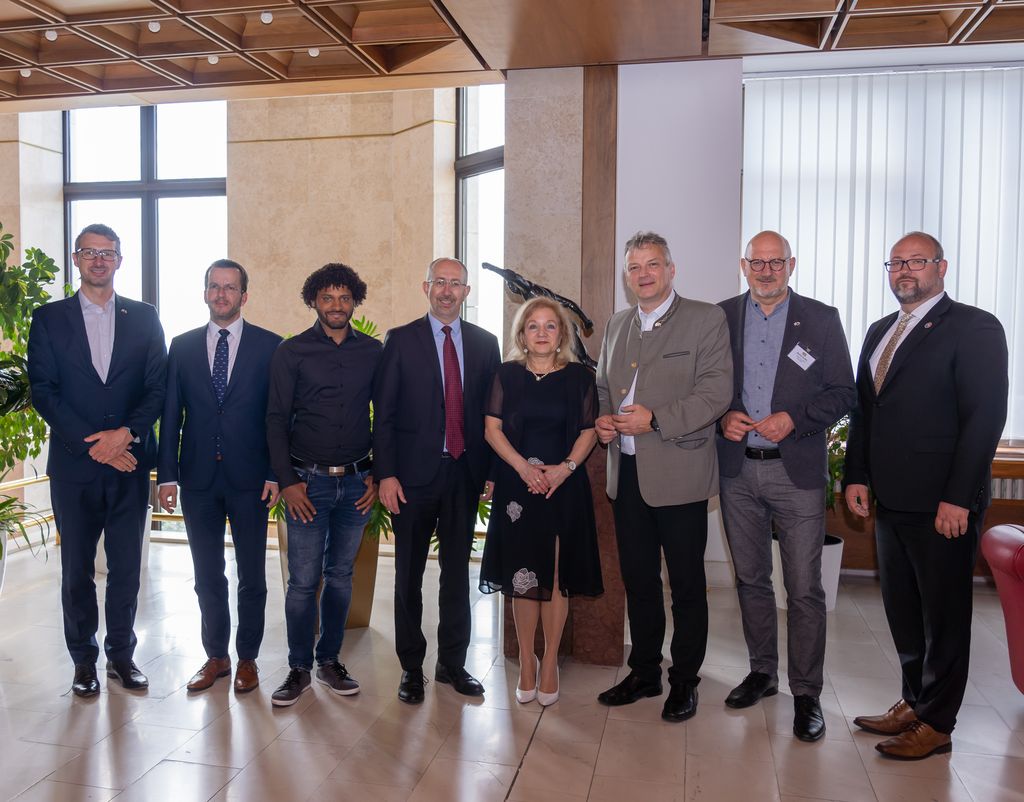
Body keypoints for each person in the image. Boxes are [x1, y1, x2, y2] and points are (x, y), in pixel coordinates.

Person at [843, 231, 1008, 759]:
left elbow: (985, 418)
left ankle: (937, 723)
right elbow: (866, 412)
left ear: (942, 266)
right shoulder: (879, 331)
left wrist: (959, 496)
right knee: (904, 610)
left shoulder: (975, 327)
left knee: (944, 615)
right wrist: (857, 475)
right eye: (896, 263)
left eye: (917, 261)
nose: (905, 271)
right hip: (891, 499)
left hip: (943, 504)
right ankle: (914, 700)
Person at [716, 230, 856, 741]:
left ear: (791, 265)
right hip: (736, 470)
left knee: (803, 587)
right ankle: (761, 673)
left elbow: (844, 392)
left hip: (794, 471)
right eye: (758, 262)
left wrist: (793, 419)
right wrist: (722, 416)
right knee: (751, 579)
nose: (767, 270)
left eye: (777, 262)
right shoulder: (723, 316)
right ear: (743, 265)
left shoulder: (820, 319)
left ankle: (807, 694)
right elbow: (705, 386)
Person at [594, 231, 732, 721]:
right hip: (626, 474)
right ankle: (645, 671)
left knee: (687, 585)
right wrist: (604, 420)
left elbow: (717, 392)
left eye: (653, 265)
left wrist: (655, 418)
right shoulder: (616, 324)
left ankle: (685, 680)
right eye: (635, 267)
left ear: (671, 270)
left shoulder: (705, 318)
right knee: (640, 580)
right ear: (627, 276)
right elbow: (604, 387)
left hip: (680, 475)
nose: (644, 274)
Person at [27, 223, 166, 697]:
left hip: (128, 463)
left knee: (126, 569)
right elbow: (44, 392)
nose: (99, 260)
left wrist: (124, 435)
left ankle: (122, 657)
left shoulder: (145, 317)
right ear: (76, 259)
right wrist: (95, 446)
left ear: (120, 260)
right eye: (90, 252)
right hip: (74, 468)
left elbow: (157, 387)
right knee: (77, 571)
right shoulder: (49, 319)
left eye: (107, 253)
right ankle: (83, 661)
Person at [373, 257, 501, 704]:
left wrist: (490, 473)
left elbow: (492, 416)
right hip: (411, 479)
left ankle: (452, 663)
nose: (447, 291)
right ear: (426, 286)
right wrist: (385, 474)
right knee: (407, 574)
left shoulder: (486, 344)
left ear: (467, 292)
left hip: (464, 475)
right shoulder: (401, 340)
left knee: (455, 575)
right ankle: (411, 667)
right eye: (440, 282)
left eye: (456, 284)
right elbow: (384, 416)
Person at [157, 259, 282, 694]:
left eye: (230, 288)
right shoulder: (184, 346)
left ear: (244, 295)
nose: (222, 294)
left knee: (251, 575)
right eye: (215, 287)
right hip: (197, 481)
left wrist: (274, 472)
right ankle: (216, 656)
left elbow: (278, 417)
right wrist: (167, 476)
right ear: (205, 292)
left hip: (252, 480)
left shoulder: (271, 346)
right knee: (206, 573)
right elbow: (171, 414)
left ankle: (248, 657)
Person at [265, 263, 381, 706]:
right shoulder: (291, 352)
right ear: (314, 300)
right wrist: (288, 482)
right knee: (303, 580)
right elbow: (275, 420)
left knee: (340, 577)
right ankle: (298, 667)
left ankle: (329, 660)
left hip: (356, 484)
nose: (337, 306)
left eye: (345, 298)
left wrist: (378, 471)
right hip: (306, 486)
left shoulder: (373, 351)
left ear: (355, 302)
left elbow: (385, 417)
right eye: (328, 297)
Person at [479, 297, 602, 706]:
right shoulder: (506, 375)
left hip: (562, 486)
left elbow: (587, 431)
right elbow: (492, 430)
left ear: (562, 334)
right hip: (518, 487)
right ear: (522, 334)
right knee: (520, 576)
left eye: (551, 326)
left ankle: (549, 660)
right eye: (534, 326)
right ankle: (527, 661)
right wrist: (521, 468)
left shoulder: (580, 378)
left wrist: (562, 469)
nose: (543, 333)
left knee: (554, 572)